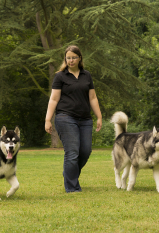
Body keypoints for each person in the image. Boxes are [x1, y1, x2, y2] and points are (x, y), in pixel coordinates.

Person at [45, 45, 102, 193]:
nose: (71, 60)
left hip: (85, 120)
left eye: (74, 57)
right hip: (65, 117)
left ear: (79, 58)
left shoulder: (86, 75)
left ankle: (69, 173)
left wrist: (99, 116)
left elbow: (93, 98)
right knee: (72, 152)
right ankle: (71, 187)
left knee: (85, 151)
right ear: (65, 59)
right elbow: (53, 99)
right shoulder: (60, 76)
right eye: (68, 58)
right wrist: (48, 119)